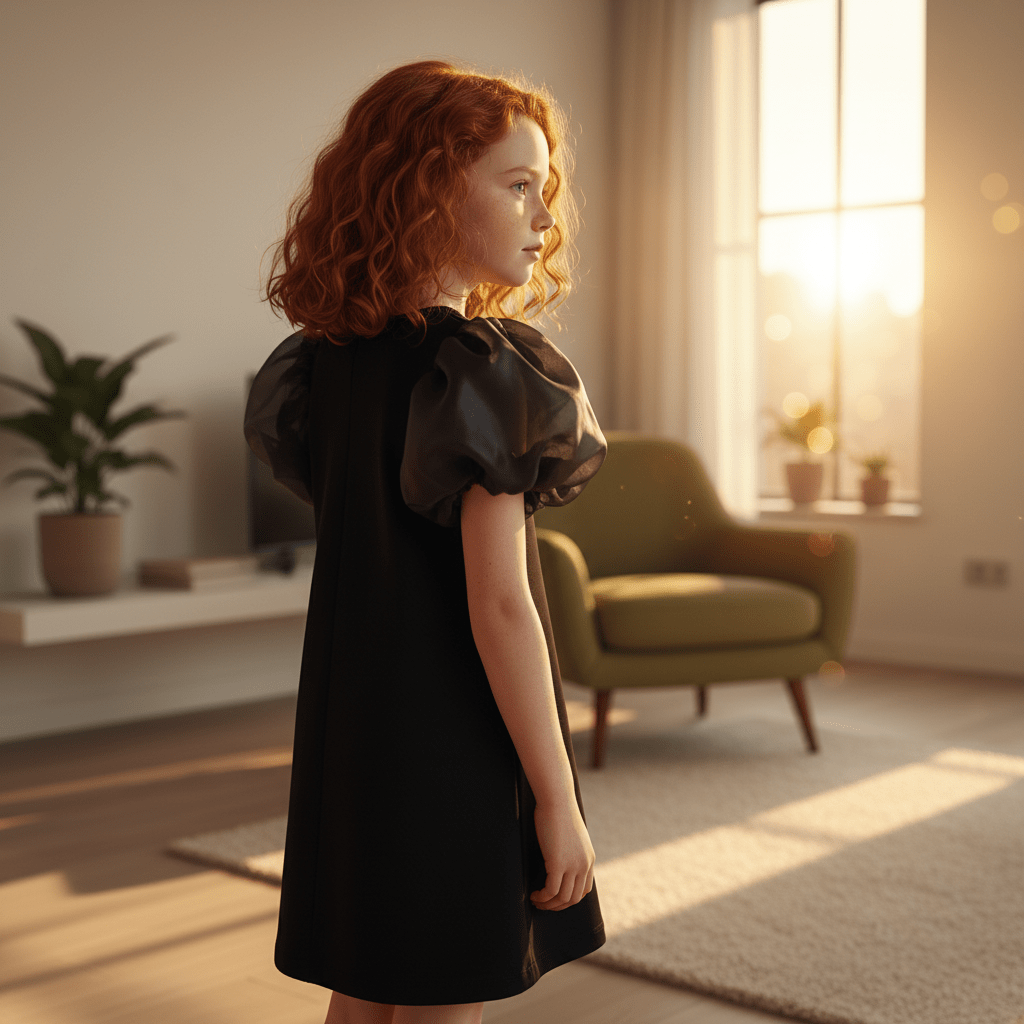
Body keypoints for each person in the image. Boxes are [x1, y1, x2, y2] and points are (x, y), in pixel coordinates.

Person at [244, 58, 607, 1024]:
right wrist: (556, 798)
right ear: (434, 187)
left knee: (364, 984)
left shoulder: (326, 367)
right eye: (518, 185)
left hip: (355, 737)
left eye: (546, 190)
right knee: (448, 989)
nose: (545, 217)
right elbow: (498, 607)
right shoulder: (482, 372)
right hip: (455, 742)